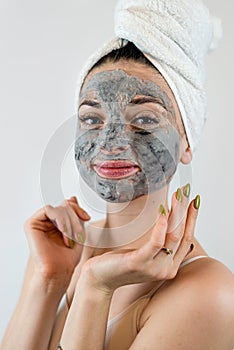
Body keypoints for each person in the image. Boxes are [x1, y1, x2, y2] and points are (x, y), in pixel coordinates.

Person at [1, 0, 234, 349]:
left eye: (144, 120)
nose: (110, 143)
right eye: (92, 119)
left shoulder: (208, 293)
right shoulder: (64, 252)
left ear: (187, 142)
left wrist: (97, 287)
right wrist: (48, 281)